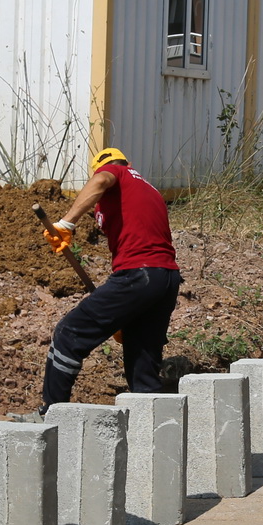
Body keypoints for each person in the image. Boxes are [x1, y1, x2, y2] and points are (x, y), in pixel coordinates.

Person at [38, 147, 182, 407]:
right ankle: (151, 424)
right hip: (166, 278)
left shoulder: (116, 173)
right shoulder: (149, 190)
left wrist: (66, 223)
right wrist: (124, 313)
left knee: (69, 334)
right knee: (142, 355)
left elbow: (103, 179)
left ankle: (52, 413)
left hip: (140, 273)